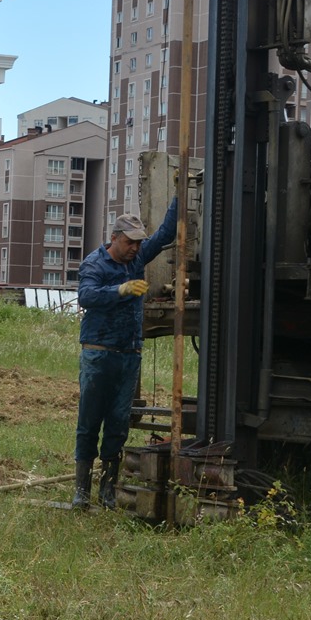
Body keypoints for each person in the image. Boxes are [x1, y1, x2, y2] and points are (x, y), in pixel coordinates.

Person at [74, 200, 178, 510]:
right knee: (89, 421)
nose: (135, 248)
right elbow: (86, 296)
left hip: (129, 355)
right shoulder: (95, 264)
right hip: (99, 354)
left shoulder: (137, 259)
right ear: (115, 237)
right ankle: (81, 490)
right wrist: (120, 290)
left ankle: (108, 490)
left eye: (138, 243)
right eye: (130, 242)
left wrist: (178, 193)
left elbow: (165, 234)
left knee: (119, 423)